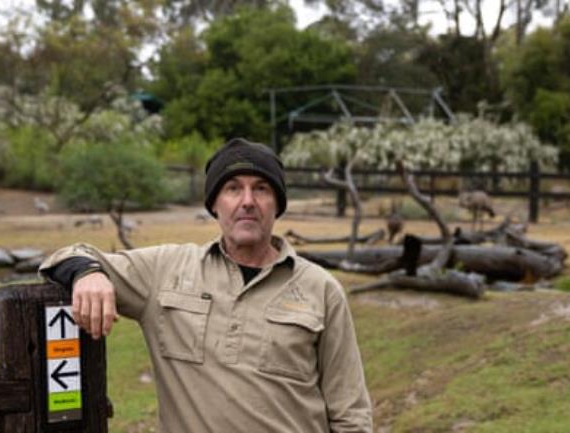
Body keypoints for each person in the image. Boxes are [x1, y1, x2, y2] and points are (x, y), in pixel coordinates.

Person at [39, 138, 373, 432]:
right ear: (214, 204)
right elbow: (64, 255)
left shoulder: (321, 289)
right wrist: (89, 274)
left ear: (277, 204)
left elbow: (351, 413)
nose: (247, 201)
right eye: (232, 188)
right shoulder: (166, 271)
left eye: (261, 188)